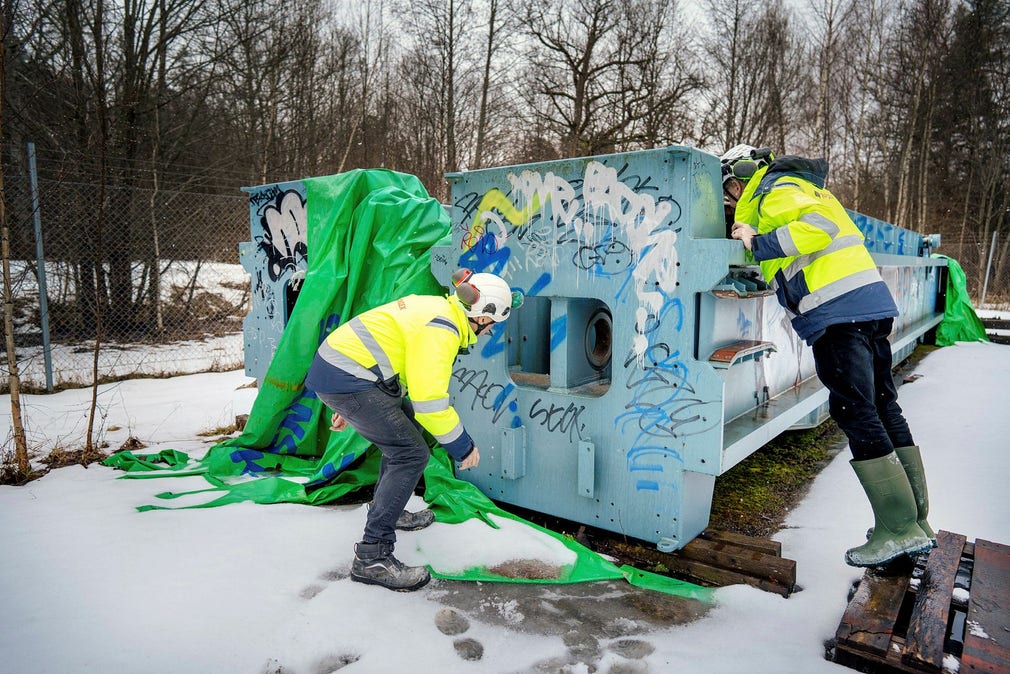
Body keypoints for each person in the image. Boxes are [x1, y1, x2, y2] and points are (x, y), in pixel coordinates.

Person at [722, 144, 936, 568]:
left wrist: (755, 240)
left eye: (730, 185)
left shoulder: (773, 191)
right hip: (869, 304)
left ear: (742, 175)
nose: (729, 196)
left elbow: (816, 230)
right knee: (881, 405)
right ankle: (915, 522)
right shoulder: (806, 187)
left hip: (837, 311)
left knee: (855, 409)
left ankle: (897, 528)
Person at [304, 269, 524, 590]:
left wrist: (351, 408)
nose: (492, 330)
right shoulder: (443, 330)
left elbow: (404, 365)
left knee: (403, 433)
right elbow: (430, 402)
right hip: (348, 378)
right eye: (493, 323)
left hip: (346, 373)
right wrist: (462, 445)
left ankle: (389, 509)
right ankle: (372, 555)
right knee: (410, 454)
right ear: (480, 316)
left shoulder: (438, 308)